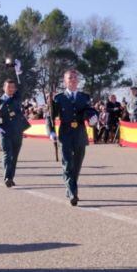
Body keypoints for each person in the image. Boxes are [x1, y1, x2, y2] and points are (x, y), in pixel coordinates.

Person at [48, 70, 98, 206]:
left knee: (77, 165)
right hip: (66, 133)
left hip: (80, 133)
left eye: (75, 77)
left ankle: (70, 186)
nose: (73, 80)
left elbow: (90, 110)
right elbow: (50, 116)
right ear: (65, 81)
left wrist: (94, 117)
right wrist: (51, 131)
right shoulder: (58, 98)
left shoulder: (84, 97)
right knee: (67, 164)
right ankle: (73, 193)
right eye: (70, 78)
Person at [0, 79, 31, 188]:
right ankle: (7, 178)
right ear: (4, 88)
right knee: (7, 154)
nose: (11, 89)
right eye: (9, 87)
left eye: (13, 87)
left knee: (14, 156)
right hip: (5, 132)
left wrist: (18, 73)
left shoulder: (17, 98)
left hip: (17, 131)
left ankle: (11, 177)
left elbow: (22, 85)